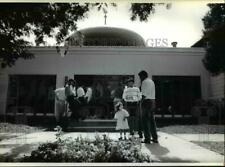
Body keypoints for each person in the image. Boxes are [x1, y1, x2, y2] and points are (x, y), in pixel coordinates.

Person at [138, 70, 158, 144]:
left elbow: (144, 94)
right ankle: (155, 138)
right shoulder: (151, 81)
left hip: (146, 102)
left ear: (143, 76)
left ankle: (147, 139)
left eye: (140, 77)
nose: (140, 79)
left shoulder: (144, 82)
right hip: (153, 101)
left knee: (145, 121)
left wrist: (139, 102)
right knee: (152, 121)